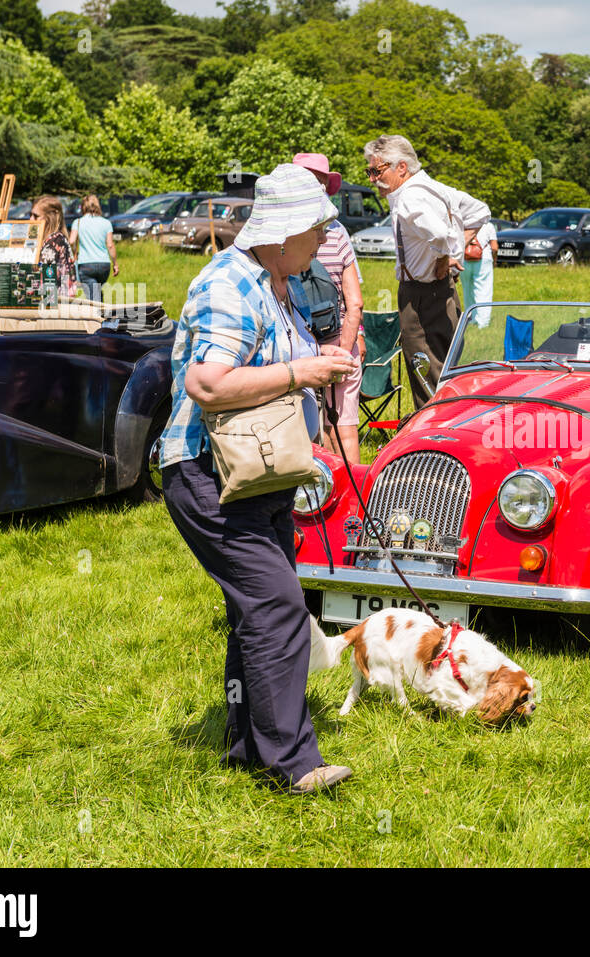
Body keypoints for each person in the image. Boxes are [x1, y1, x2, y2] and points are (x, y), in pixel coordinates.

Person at [157, 163, 359, 794]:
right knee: (277, 609)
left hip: (255, 476)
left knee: (258, 611)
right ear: (282, 231)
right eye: (316, 228)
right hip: (209, 475)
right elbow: (208, 383)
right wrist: (303, 373)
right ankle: (294, 766)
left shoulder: (275, 280)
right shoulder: (231, 283)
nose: (324, 238)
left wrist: (317, 362)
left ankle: (246, 746)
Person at [365, 134, 490, 407]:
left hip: (421, 295)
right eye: (369, 171)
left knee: (424, 368)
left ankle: (433, 435)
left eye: (377, 171)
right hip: (443, 291)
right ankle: (454, 422)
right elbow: (480, 211)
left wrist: (445, 257)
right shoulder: (435, 188)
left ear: (401, 167)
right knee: (448, 365)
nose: (372, 179)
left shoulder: (410, 197)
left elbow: (441, 235)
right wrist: (451, 254)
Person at [293, 152, 365, 462]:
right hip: (340, 340)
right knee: (344, 428)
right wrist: (346, 347)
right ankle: (357, 497)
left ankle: (318, 498)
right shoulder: (337, 233)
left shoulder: (286, 236)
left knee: (308, 430)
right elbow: (356, 302)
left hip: (301, 347)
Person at [69, 194, 118, 302]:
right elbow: (110, 245)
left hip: (86, 265)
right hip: (104, 265)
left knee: (93, 297)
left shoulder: (77, 222)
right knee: (96, 292)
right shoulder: (106, 223)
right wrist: (115, 264)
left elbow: (71, 241)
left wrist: (73, 252)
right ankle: (102, 314)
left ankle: (98, 316)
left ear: (83, 207)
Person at [31, 196, 76, 301]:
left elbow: (44, 278)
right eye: (30, 215)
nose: (31, 219)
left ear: (50, 217)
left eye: (35, 216)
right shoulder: (57, 238)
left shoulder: (54, 242)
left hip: (54, 304)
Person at [462, 218, 498, 328]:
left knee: (467, 289)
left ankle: (471, 318)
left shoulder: (463, 225)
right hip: (484, 259)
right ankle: (483, 322)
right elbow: (494, 247)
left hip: (464, 260)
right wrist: (495, 260)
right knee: (484, 290)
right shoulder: (488, 225)